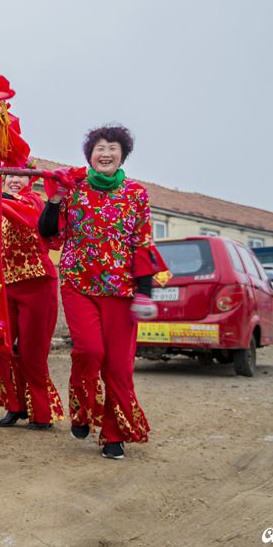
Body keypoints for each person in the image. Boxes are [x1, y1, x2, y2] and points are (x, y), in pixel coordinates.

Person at [38, 124, 167, 459]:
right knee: (90, 352)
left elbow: (144, 243)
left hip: (122, 291)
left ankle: (113, 434)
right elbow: (48, 231)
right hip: (79, 285)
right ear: (89, 155)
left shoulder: (136, 194)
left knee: (119, 368)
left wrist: (145, 292)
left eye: (112, 147)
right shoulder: (74, 188)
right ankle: (82, 411)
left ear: (122, 155)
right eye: (99, 147)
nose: (106, 153)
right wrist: (53, 196)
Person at [0, 162, 65, 430]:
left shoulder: (34, 203)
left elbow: (32, 221)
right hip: (3, 285)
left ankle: (42, 412)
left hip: (37, 283)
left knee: (33, 352)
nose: (13, 180)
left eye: (19, 177)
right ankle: (15, 405)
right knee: (0, 349)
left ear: (29, 181)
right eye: (8, 175)